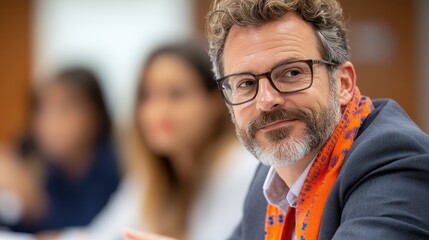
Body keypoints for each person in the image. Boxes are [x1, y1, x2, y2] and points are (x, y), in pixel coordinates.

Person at [126, 0, 429, 239]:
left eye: (292, 73)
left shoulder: (394, 160)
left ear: (345, 84)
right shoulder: (270, 178)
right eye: (245, 83)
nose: (266, 100)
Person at [0, 68, 121, 237]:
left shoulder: (116, 166)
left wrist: (36, 205)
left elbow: (94, 230)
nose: (50, 123)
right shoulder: (40, 161)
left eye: (64, 110)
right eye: (41, 109)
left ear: (96, 116)